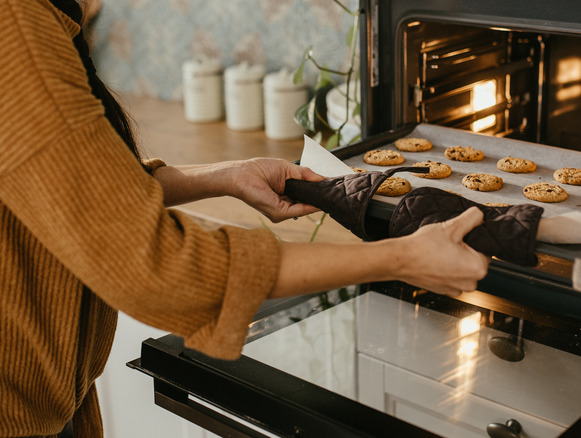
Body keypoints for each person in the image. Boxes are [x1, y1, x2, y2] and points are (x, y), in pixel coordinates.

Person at [0, 0, 490, 436]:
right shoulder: (15, 26)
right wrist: (401, 257)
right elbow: (160, 265)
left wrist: (228, 174)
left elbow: (77, 191)